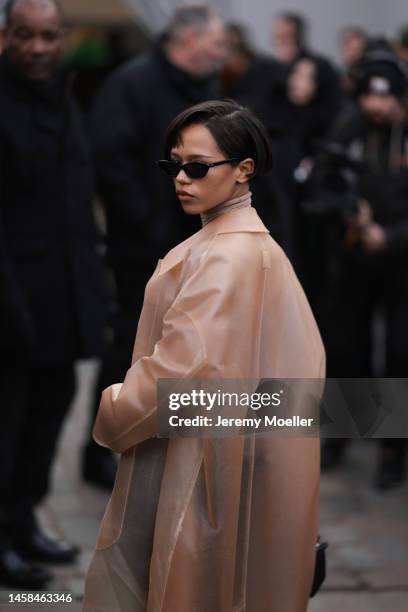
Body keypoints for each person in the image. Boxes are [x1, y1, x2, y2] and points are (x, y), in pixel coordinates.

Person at [83, 100, 325, 612]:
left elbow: (179, 371)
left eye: (196, 167)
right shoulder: (252, 247)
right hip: (235, 453)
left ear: (244, 171)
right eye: (174, 166)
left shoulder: (225, 254)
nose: (181, 180)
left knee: (187, 583)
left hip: (199, 459)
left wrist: (115, 407)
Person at [81, 5, 227, 489]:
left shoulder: (204, 89)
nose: (222, 51)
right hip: (140, 248)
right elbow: (110, 159)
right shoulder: (133, 84)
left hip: (195, 244)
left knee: (185, 348)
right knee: (129, 346)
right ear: (188, 40)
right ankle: (101, 448)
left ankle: (162, 440)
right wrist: (146, 221)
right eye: (216, 42)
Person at [0, 0, 108, 589]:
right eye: (25, 36)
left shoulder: (64, 96)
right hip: (13, 303)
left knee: (46, 421)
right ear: (6, 37)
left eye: (47, 36)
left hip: (63, 300)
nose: (38, 47)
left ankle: (23, 521)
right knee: (7, 426)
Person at [319, 41, 408, 489]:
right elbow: (323, 181)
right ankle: (342, 434)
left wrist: (388, 236)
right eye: (368, 97)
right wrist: (350, 211)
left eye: (384, 98)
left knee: (398, 353)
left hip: (401, 264)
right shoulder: (349, 125)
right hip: (354, 258)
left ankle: (393, 447)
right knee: (347, 348)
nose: (375, 106)